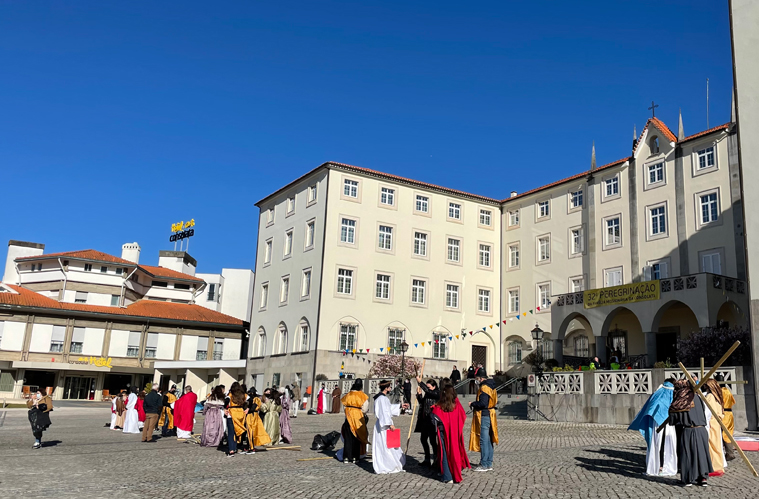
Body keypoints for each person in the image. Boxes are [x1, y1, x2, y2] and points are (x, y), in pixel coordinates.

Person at [665, 379, 712, 487]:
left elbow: (674, 418)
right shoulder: (698, 397)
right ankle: (702, 478)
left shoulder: (681, 399)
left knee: (688, 454)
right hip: (701, 430)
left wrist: (673, 416)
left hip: (688, 430)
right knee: (701, 454)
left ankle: (688, 479)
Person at [628, 378, 677, 476]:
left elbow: (651, 408)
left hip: (662, 424)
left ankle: (660, 466)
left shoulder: (659, 393)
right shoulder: (668, 393)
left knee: (660, 444)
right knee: (663, 444)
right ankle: (662, 466)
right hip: (662, 424)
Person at [432, 385, 470, 483]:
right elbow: (463, 416)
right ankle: (453, 473)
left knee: (445, 453)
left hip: (444, 431)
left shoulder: (439, 407)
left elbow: (435, 418)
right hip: (454, 432)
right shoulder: (456, 406)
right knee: (454, 452)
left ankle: (447, 476)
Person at [372, 380, 407, 474]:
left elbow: (388, 408)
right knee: (387, 444)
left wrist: (400, 406)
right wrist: (389, 424)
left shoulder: (381, 398)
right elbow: (384, 412)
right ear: (386, 388)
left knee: (386, 444)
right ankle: (388, 464)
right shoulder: (382, 399)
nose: (391, 388)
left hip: (382, 424)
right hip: (384, 425)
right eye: (390, 387)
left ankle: (388, 463)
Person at [468, 369, 498, 472]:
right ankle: (489, 463)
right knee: (489, 440)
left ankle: (484, 464)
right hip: (490, 414)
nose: (476, 380)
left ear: (481, 378)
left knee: (484, 440)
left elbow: (483, 403)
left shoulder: (484, 387)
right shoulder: (491, 386)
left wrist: (473, 404)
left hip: (484, 415)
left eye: (477, 378)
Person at [340, 379, 369, 463]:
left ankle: (346, 457)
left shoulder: (348, 395)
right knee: (357, 437)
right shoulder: (363, 396)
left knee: (348, 437)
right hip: (357, 418)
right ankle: (355, 457)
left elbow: (344, 407)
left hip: (348, 417)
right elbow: (365, 408)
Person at [702, 379, 727, 476]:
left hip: (711, 423)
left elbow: (707, 411)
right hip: (716, 423)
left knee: (712, 445)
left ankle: (714, 466)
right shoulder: (716, 396)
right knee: (717, 444)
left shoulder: (710, 396)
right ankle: (718, 465)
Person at [415, 376, 440, 467]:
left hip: (431, 420)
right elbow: (422, 403)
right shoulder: (428, 393)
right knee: (423, 439)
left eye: (429, 387)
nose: (428, 389)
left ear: (434, 386)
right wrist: (419, 396)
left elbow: (428, 391)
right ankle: (427, 459)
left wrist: (420, 382)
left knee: (432, 441)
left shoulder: (436, 393)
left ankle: (436, 459)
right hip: (425, 420)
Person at [716, 374, 737, 461]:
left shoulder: (720, 391)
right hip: (730, 414)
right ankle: (730, 452)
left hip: (723, 413)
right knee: (729, 433)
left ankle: (729, 453)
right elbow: (732, 401)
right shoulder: (727, 391)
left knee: (724, 434)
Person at [226, 384, 247, 456]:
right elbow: (251, 400)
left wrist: (225, 408)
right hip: (240, 413)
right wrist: (247, 408)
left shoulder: (230, 395)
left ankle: (231, 449)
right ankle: (235, 447)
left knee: (231, 432)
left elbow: (226, 401)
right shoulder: (243, 395)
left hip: (232, 413)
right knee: (237, 431)